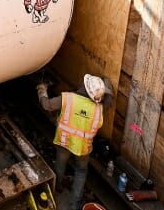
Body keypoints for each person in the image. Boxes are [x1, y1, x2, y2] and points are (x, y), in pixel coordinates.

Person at [37, 74, 113, 210]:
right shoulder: (99, 109)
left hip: (64, 142)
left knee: (61, 164)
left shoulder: (68, 99)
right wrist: (105, 83)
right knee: (81, 171)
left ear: (84, 86)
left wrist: (42, 90)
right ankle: (75, 203)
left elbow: (47, 105)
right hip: (83, 148)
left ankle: (58, 187)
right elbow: (109, 98)